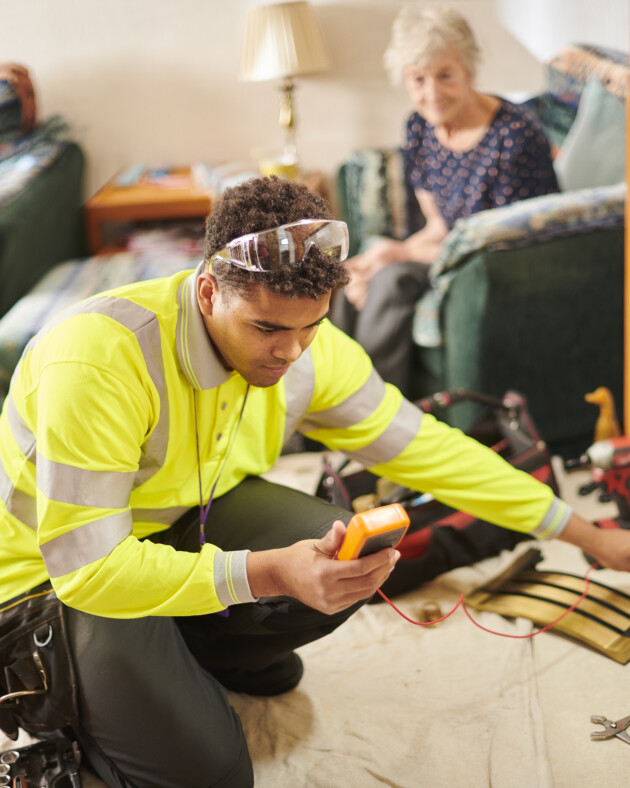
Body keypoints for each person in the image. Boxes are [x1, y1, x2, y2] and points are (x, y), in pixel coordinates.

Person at [0, 175, 628, 788]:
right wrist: (268, 572)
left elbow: (428, 450)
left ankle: (188, 649)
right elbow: (91, 570)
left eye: (312, 326)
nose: (291, 352)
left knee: (351, 542)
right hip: (52, 582)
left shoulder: (306, 348)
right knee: (212, 774)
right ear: (208, 291)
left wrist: (591, 537)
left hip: (177, 524)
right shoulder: (100, 357)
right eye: (267, 329)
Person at [332, 4, 560, 397]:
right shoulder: (419, 128)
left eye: (446, 76)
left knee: (390, 281)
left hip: (499, 265)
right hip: (455, 252)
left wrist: (398, 257)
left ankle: (375, 423)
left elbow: (498, 248)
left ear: (469, 70)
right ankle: (319, 415)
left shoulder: (515, 137)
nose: (432, 93)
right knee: (345, 277)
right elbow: (440, 227)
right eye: (418, 79)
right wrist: (384, 253)